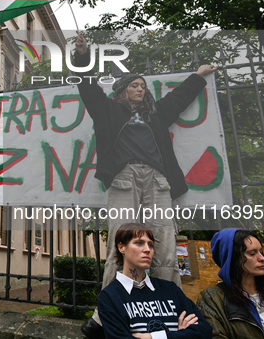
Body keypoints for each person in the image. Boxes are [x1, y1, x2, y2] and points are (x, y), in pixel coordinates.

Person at [74, 34, 217, 337]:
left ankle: (175, 310)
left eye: (142, 85)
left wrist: (198, 76)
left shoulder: (156, 114)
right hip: (124, 179)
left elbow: (178, 98)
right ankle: (104, 316)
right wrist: (83, 56)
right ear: (122, 91)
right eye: (134, 85)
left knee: (163, 242)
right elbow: (87, 88)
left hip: (157, 181)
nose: (140, 89)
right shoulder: (108, 111)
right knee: (121, 243)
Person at [98, 223, 212, 339]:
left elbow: (205, 331)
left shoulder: (171, 290)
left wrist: (150, 337)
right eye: (139, 243)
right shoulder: (110, 296)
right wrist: (180, 335)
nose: (147, 249)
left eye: (151, 245)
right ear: (121, 247)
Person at [196, 229, 264, 338]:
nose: (263, 258)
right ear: (232, 258)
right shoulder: (212, 298)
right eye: (252, 253)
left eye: (261, 252)